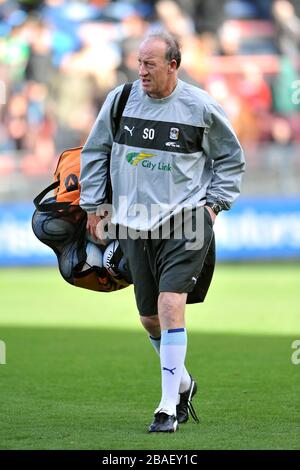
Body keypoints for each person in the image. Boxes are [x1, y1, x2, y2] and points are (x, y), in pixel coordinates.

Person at [80, 31, 245, 433]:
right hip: (133, 220)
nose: (141, 72)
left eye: (149, 64)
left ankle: (167, 409)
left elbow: (230, 160)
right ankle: (184, 383)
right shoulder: (120, 100)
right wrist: (93, 205)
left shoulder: (200, 107)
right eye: (139, 63)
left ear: (174, 64)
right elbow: (95, 150)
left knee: (172, 304)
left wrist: (213, 206)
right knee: (149, 318)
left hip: (186, 220)